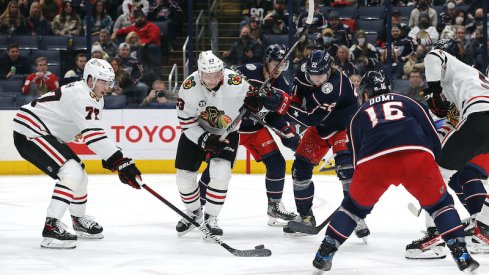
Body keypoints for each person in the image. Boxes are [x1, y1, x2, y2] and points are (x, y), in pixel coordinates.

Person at [311, 69, 479, 274]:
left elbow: (356, 156)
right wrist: (431, 162)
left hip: (374, 163)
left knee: (351, 209)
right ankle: (461, 253)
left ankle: (325, 252)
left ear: (366, 93)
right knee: (441, 205)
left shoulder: (357, 114)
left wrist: (362, 186)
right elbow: (432, 135)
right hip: (416, 157)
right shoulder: (409, 102)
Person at [12, 58, 143, 249]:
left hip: (44, 132)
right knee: (71, 171)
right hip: (30, 132)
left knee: (80, 175)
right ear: (90, 79)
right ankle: (51, 228)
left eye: (110, 82)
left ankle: (78, 220)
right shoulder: (82, 96)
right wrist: (121, 162)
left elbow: (93, 131)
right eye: (104, 82)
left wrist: (112, 158)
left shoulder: (94, 95)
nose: (108, 86)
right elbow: (94, 137)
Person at [263, 49, 369, 239]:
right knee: (300, 169)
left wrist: (283, 105)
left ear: (329, 70)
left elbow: (310, 118)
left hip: (344, 126)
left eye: (320, 76)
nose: (315, 80)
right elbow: (296, 100)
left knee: (346, 169)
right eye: (312, 75)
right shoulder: (302, 73)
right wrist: (283, 100)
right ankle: (305, 217)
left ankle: (355, 217)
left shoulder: (335, 86)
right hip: (321, 128)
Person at [405, 38, 489, 257]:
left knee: (435, 175)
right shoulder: (467, 83)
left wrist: (432, 90)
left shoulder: (454, 67)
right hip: (480, 121)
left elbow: (434, 56)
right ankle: (485, 231)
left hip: (479, 118)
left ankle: (436, 236)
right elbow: (453, 122)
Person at [199, 44, 300, 227]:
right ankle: (198, 207)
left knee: (277, 162)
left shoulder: (283, 84)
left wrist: (287, 132)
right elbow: (218, 91)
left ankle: (274, 205)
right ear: (267, 62)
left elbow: (276, 115)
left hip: (255, 130)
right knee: (216, 167)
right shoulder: (247, 71)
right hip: (231, 128)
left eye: (284, 64)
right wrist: (239, 101)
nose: (280, 68)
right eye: (277, 64)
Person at [174, 50, 261, 237]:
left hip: (226, 132)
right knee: (183, 176)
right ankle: (194, 213)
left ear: (222, 72)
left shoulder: (236, 82)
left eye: (216, 74)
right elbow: (186, 123)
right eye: (207, 75)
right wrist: (205, 139)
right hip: (196, 131)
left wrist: (258, 102)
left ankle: (211, 217)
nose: (212, 79)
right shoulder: (188, 87)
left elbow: (258, 101)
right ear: (199, 73)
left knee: (221, 172)